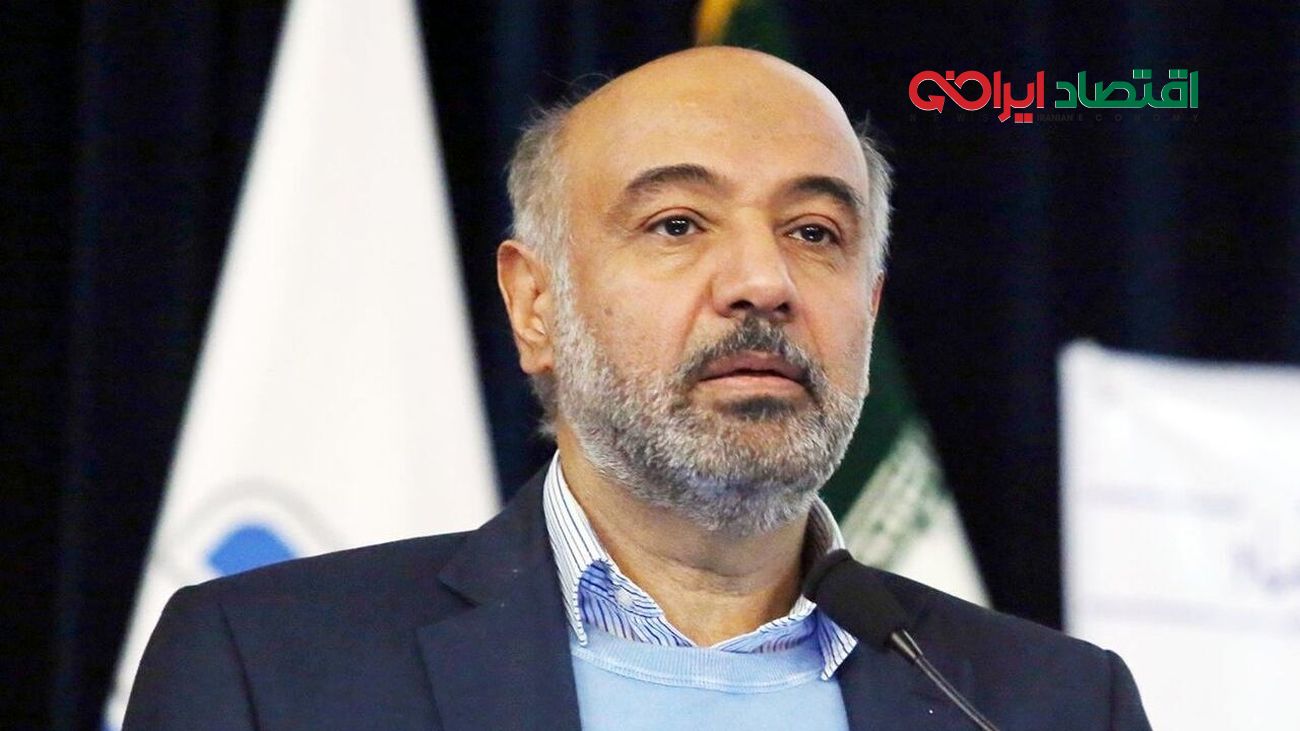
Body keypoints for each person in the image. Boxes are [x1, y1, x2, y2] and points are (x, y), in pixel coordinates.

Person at [124, 47, 1151, 730]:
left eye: (814, 232)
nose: (763, 281)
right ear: (535, 305)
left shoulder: (1048, 705)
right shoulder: (269, 667)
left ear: (869, 306)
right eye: (677, 224)